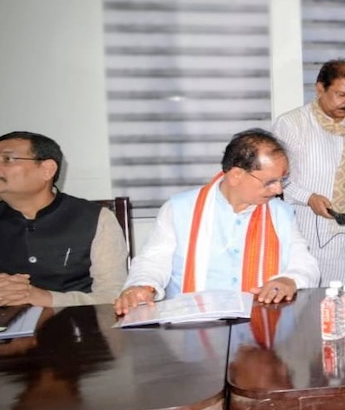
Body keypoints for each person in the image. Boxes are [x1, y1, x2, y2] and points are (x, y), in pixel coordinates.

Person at [114, 129, 319, 314]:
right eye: (270, 182)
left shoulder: (281, 213)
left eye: (282, 180)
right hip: (190, 323)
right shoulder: (179, 209)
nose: (279, 189)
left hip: (261, 322)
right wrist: (142, 286)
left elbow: (305, 264)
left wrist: (289, 280)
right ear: (236, 175)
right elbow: (153, 260)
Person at [274, 59, 345, 285]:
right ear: (320, 89)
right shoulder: (292, 124)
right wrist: (308, 197)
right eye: (341, 95)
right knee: (312, 299)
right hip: (307, 234)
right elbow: (276, 178)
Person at [0, 131, 127, 308]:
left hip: (77, 322)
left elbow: (113, 296)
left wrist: (46, 298)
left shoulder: (96, 218)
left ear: (47, 170)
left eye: (7, 159)